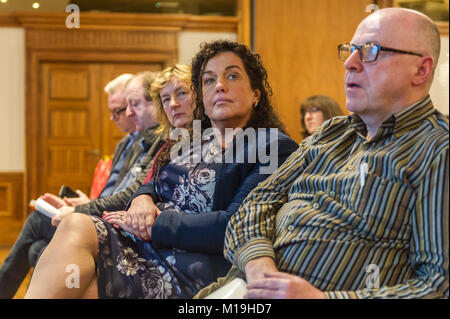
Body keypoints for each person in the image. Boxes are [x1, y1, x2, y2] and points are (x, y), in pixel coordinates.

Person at [196, 8, 448, 299]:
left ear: (421, 69)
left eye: (371, 51)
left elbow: (437, 285)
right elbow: (256, 203)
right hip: (245, 285)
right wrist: (258, 266)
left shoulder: (437, 150)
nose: (350, 64)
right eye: (351, 51)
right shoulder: (331, 134)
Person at [24, 41, 299, 299]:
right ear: (202, 95)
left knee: (83, 274)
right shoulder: (191, 137)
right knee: (76, 236)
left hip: (190, 263)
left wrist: (153, 226)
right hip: (143, 243)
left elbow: (235, 225)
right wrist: (141, 199)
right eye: (209, 80)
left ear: (255, 94)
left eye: (232, 76)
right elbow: (152, 182)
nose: (220, 86)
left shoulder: (273, 146)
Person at [0, 72, 162, 299]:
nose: (124, 114)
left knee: (37, 223)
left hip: (115, 226)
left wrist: (80, 210)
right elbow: (121, 190)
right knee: (37, 247)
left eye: (130, 105)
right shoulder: (132, 142)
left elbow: (131, 193)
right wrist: (85, 203)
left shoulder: (157, 142)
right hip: (104, 216)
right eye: (121, 108)